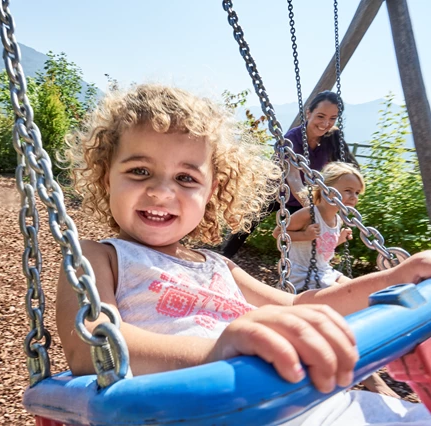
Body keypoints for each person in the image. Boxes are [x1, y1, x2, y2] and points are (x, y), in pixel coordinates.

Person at [56, 84, 431, 424]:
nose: (161, 192)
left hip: (302, 404)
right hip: (191, 412)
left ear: (211, 190)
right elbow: (92, 345)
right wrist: (217, 353)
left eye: (186, 178)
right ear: (107, 177)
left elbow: (301, 305)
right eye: (140, 171)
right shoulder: (98, 257)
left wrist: (394, 279)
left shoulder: (220, 266)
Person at [272, 161, 399, 398]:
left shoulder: (338, 218)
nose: (352, 197)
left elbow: (322, 248)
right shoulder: (309, 213)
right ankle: (368, 376)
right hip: (302, 277)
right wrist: (304, 234)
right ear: (326, 187)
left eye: (356, 193)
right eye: (347, 190)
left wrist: (339, 239)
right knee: (343, 309)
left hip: (324, 271)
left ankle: (363, 348)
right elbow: (278, 234)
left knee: (363, 296)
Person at [222, 90, 359, 259]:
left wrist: (342, 197)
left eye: (332, 118)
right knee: (247, 226)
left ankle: (307, 270)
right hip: (274, 191)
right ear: (308, 113)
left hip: (301, 198)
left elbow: (349, 168)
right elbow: (293, 178)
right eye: (321, 116)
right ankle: (225, 258)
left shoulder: (331, 138)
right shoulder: (290, 140)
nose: (325, 123)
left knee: (310, 233)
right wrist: (313, 206)